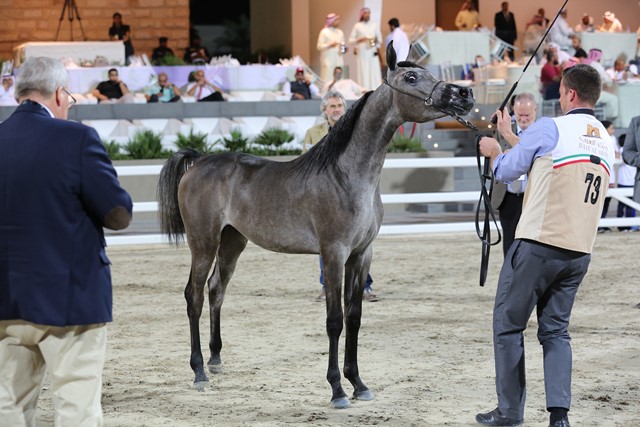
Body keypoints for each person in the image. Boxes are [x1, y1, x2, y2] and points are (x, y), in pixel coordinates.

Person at [476, 63, 615, 427]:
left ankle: (510, 411)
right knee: (555, 331)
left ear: (570, 94)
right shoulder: (605, 139)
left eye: (562, 93)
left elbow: (507, 170)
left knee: (508, 325)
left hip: (538, 243)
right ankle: (559, 416)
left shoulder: (550, 127)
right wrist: (511, 135)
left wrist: (494, 149)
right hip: (579, 250)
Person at [0, 56, 133, 425]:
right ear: (60, 94)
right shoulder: (76, 138)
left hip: (5, 299)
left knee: (8, 406)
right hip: (69, 299)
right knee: (77, 407)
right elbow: (118, 214)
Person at [302, 90, 378, 302]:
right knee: (326, 243)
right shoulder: (313, 133)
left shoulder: (357, 131)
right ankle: (327, 287)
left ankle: (363, 287)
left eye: (340, 106)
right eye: (332, 106)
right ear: (324, 110)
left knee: (359, 242)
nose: (337, 110)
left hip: (352, 196)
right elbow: (305, 163)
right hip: (324, 196)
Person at [490, 92, 537, 256]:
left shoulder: (542, 133)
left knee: (531, 243)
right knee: (509, 242)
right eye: (519, 115)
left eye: (527, 115)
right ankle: (509, 271)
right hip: (507, 196)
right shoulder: (502, 129)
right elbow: (493, 157)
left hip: (532, 196)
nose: (523, 119)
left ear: (535, 111)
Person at [349, 7, 383, 91]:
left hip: (372, 51)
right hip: (362, 53)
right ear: (362, 14)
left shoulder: (374, 25)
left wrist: (375, 40)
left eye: (369, 13)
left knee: (374, 70)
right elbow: (350, 40)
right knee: (364, 70)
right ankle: (364, 89)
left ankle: (375, 89)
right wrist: (360, 39)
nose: (367, 15)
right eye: (366, 13)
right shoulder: (357, 26)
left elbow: (380, 39)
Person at [597, 120, 618, 233]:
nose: (613, 130)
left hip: (611, 175)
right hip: (602, 172)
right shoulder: (599, 137)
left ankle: (603, 222)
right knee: (599, 200)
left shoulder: (613, 138)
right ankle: (598, 223)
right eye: (611, 128)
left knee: (608, 200)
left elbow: (616, 153)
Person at [615, 134, 637, 231]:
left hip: (629, 181)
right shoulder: (623, 150)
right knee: (624, 205)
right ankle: (623, 225)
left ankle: (628, 225)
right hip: (625, 181)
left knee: (629, 205)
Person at [316, 13, 346, 83]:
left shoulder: (340, 32)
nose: (338, 22)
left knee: (339, 77)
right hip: (328, 60)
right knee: (328, 77)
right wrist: (329, 45)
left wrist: (344, 49)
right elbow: (319, 46)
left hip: (339, 59)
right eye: (336, 20)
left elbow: (342, 44)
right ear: (331, 21)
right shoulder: (324, 32)